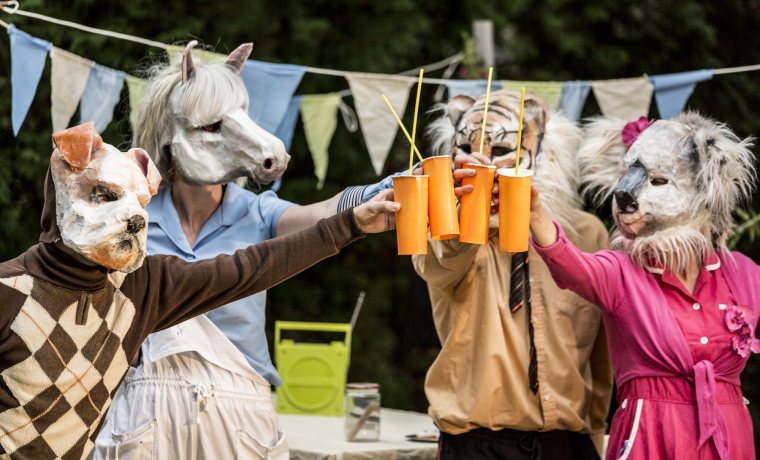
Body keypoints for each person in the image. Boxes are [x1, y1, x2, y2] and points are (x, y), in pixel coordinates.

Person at [0, 122, 397, 460]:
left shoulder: (140, 289)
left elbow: (250, 269)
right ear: (61, 176)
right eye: (104, 194)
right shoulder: (9, 291)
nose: (130, 215)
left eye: (139, 202)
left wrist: (352, 224)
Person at [93, 42, 402, 459]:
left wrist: (388, 187)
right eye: (211, 126)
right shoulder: (133, 220)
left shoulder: (259, 213)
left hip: (239, 414)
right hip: (146, 412)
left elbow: (321, 214)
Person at [530, 113, 758, 459]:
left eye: (659, 180)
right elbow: (570, 266)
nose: (625, 193)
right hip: (651, 435)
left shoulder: (742, 274)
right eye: (625, 176)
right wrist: (534, 213)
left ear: (705, 188)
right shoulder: (621, 273)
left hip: (728, 439)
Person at [413, 90, 612, 459]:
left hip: (567, 441)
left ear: (545, 151)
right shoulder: (441, 230)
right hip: (477, 442)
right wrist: (466, 213)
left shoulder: (588, 234)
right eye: (466, 148)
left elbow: (602, 355)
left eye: (502, 149)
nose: (483, 162)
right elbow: (439, 262)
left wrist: (597, 434)